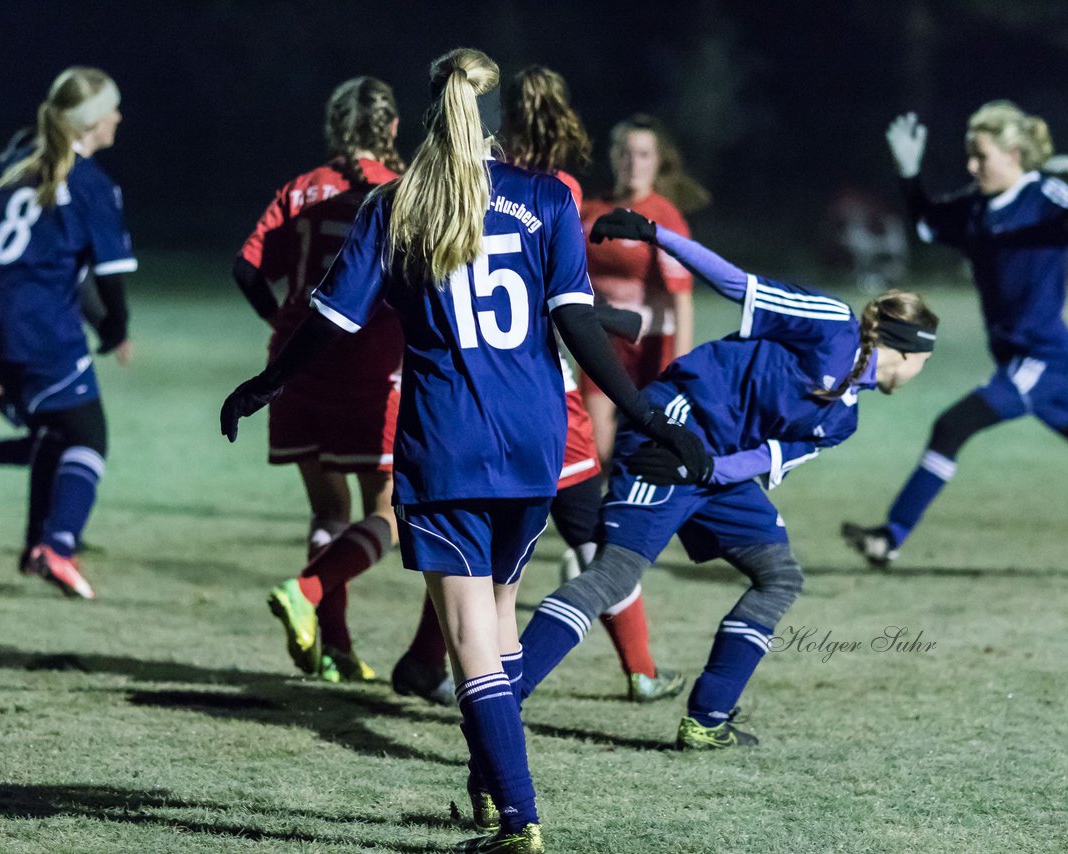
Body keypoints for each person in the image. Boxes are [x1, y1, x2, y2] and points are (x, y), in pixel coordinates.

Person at [220, 48, 707, 854]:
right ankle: (488, 791)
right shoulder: (547, 198)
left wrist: (267, 382)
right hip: (534, 442)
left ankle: (518, 817)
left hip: (447, 442)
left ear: (431, 112)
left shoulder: (396, 204)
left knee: (469, 637)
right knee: (501, 622)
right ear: (494, 118)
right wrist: (647, 414)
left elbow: (335, 324)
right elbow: (580, 327)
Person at [515, 208, 939, 750]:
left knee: (778, 575)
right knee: (614, 575)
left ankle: (707, 718)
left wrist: (708, 468)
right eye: (926, 357)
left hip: (712, 462)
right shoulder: (833, 322)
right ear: (908, 350)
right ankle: (504, 695)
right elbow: (738, 284)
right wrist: (657, 235)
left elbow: (762, 457)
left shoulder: (844, 419)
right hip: (672, 428)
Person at [389, 66, 684, 708]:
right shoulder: (553, 192)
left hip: (488, 400)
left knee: (473, 555)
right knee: (590, 537)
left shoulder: (459, 189)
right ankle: (634, 670)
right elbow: (553, 302)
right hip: (544, 398)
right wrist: (614, 326)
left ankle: (423, 661)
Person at [843, 103, 1068, 568]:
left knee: (952, 425)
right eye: (970, 157)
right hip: (1017, 355)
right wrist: (909, 173)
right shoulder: (976, 207)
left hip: (1039, 355)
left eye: (981, 156)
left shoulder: (1045, 195)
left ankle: (890, 536)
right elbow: (927, 223)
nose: (973, 167)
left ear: (1014, 153)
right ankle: (889, 537)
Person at [233, 77, 405, 682]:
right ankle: (306, 592)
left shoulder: (300, 190)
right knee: (393, 512)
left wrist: (279, 318)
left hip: (296, 364)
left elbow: (246, 267)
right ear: (390, 128)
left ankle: (332, 645)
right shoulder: (398, 192)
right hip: (366, 368)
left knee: (328, 508)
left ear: (336, 128)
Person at [0, 66, 135, 599]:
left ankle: (35, 545)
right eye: (112, 109)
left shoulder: (17, 161)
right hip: (40, 327)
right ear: (94, 121)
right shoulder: (94, 184)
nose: (119, 117)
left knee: (55, 432)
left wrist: (12, 258)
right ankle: (59, 546)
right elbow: (114, 274)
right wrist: (116, 325)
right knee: (89, 438)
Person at [579, 114, 710, 463]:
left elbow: (683, 299)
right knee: (597, 450)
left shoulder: (664, 218)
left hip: (652, 344)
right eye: (626, 153)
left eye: (643, 154)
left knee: (645, 452)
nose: (633, 163)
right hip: (601, 341)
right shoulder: (590, 211)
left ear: (657, 161)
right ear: (614, 156)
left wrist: (680, 369)